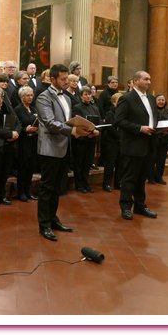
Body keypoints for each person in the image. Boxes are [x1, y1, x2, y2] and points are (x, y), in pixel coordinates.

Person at [35, 64, 93, 242]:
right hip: (50, 148)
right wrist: (74, 131)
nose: (66, 82)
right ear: (52, 80)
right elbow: (50, 122)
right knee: (47, 188)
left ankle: (53, 219)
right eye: (63, 79)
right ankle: (44, 224)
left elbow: (68, 121)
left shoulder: (67, 98)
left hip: (64, 146)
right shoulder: (43, 97)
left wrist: (84, 127)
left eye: (67, 78)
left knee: (58, 188)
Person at [115, 71, 159, 220]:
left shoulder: (152, 99)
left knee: (142, 178)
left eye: (150, 79)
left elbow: (153, 119)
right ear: (135, 81)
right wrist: (140, 128)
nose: (149, 82)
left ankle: (140, 205)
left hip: (148, 143)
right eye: (146, 79)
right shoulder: (126, 99)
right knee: (129, 178)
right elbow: (119, 121)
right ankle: (126, 206)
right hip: (133, 144)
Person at [71, 86, 101, 194]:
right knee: (79, 163)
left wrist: (96, 131)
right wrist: (88, 133)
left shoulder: (95, 107)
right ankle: (79, 185)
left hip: (91, 139)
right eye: (85, 94)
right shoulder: (77, 107)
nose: (88, 96)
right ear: (81, 96)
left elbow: (99, 122)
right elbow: (77, 123)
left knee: (88, 163)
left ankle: (86, 183)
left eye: (89, 94)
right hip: (81, 139)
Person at [14, 85, 38, 202]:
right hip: (23, 142)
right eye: (27, 95)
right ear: (22, 97)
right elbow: (17, 125)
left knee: (31, 167)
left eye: (31, 95)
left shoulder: (34, 109)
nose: (30, 97)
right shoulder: (18, 109)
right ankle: (21, 192)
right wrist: (25, 129)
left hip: (33, 141)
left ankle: (28, 191)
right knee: (23, 168)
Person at [148, 94, 168, 185]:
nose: (161, 102)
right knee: (152, 159)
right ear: (155, 101)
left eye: (162, 100)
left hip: (165, 139)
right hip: (154, 138)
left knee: (161, 159)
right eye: (159, 100)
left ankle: (159, 177)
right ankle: (151, 177)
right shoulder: (151, 111)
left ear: (165, 101)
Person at [101, 92, 123, 192]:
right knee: (110, 164)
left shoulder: (123, 112)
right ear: (114, 102)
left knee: (120, 164)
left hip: (120, 142)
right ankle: (106, 184)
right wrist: (120, 136)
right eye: (120, 100)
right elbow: (110, 127)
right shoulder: (110, 113)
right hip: (111, 142)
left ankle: (118, 183)